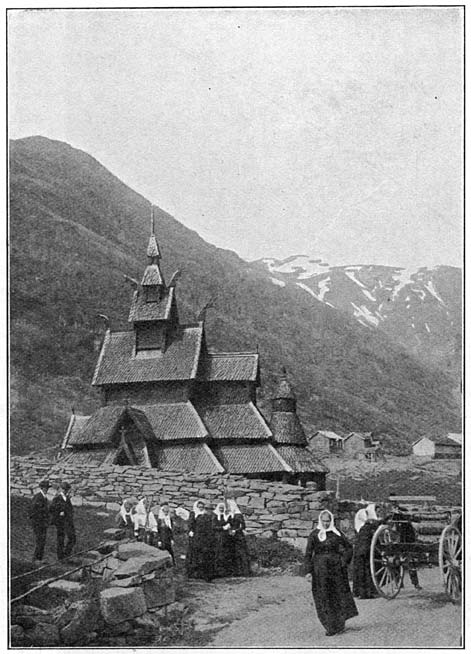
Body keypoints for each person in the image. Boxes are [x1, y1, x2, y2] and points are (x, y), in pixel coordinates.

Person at [304, 510, 358, 637]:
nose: (326, 523)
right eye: (324, 521)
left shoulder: (336, 533)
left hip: (336, 569)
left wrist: (344, 561)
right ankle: (329, 626)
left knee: (337, 595)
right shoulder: (314, 535)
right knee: (323, 596)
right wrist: (308, 571)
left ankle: (339, 624)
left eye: (328, 521)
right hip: (320, 570)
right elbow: (308, 554)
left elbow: (349, 547)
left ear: (331, 521)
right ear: (320, 520)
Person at [352, 504, 380, 599]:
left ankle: (359, 592)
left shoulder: (364, 527)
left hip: (360, 549)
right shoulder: (367, 525)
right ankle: (365, 593)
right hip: (365, 550)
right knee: (365, 570)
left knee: (361, 570)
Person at [187, 501, 216, 582]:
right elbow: (193, 526)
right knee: (199, 556)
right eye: (199, 507)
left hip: (207, 540)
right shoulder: (197, 516)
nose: (201, 508)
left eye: (202, 507)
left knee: (207, 556)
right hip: (199, 539)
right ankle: (198, 574)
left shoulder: (210, 517)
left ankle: (207, 575)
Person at [49, 481, 76, 561]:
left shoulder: (67, 499)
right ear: (60, 489)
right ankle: (61, 557)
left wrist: (70, 514)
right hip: (60, 522)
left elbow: (70, 509)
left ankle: (66, 555)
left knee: (72, 538)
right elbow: (51, 509)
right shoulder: (57, 498)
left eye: (66, 489)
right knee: (61, 539)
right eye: (63, 489)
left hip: (68, 522)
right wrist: (59, 512)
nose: (65, 491)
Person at [226, 498, 251, 576]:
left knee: (241, 553)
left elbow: (243, 526)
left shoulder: (238, 515)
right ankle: (234, 572)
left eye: (230, 506)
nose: (229, 507)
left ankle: (244, 572)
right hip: (230, 536)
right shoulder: (229, 515)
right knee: (232, 553)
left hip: (238, 536)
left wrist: (236, 530)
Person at [30, 479, 50, 564]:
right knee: (40, 540)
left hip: (43, 523)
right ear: (42, 488)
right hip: (38, 523)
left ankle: (40, 558)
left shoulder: (44, 497)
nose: (46, 489)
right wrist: (38, 521)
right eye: (45, 488)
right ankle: (35, 559)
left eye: (47, 488)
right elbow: (34, 511)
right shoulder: (38, 497)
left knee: (42, 540)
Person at [213, 501, 233, 577]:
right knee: (218, 553)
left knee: (226, 552)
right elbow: (213, 526)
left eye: (223, 508)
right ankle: (218, 571)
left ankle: (225, 571)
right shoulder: (215, 516)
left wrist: (229, 525)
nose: (221, 509)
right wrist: (222, 528)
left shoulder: (225, 515)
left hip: (225, 536)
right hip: (218, 536)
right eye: (220, 508)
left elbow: (229, 523)